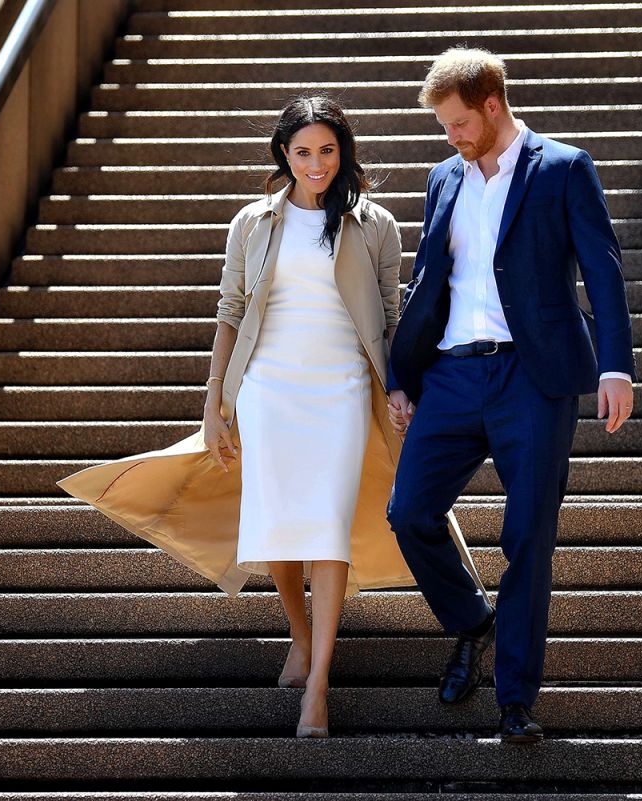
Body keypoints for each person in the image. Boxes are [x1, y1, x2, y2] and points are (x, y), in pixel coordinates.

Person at [58, 96, 479, 738]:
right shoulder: (252, 222)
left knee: (328, 527)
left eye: (328, 151)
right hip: (268, 387)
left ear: (346, 153)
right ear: (284, 153)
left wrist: (401, 385)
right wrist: (214, 403)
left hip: (341, 385)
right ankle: (300, 633)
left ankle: (319, 685)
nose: (316, 164)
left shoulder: (376, 223)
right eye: (304, 151)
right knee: (278, 520)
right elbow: (230, 312)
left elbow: (393, 316)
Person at [385, 48, 637, 744]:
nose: (451, 137)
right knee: (408, 511)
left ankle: (516, 699)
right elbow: (427, 282)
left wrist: (616, 365)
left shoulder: (562, 168)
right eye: (444, 126)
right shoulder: (444, 177)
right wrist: (400, 373)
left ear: (493, 105)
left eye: (459, 123)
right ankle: (471, 620)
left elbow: (603, 271)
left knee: (528, 535)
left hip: (533, 376)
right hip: (453, 376)